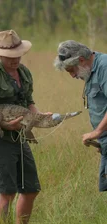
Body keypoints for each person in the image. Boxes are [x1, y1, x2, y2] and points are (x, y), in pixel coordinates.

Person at [0, 30, 52, 224]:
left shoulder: (24, 72)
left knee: (31, 189)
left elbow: (29, 102)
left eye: (18, 55)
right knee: (7, 192)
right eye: (10, 56)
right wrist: (6, 125)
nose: (15, 59)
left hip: (19, 137)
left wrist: (38, 115)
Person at [54, 40, 107, 191]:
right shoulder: (90, 70)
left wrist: (97, 132)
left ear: (81, 60)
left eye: (72, 70)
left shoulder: (104, 67)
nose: (72, 75)